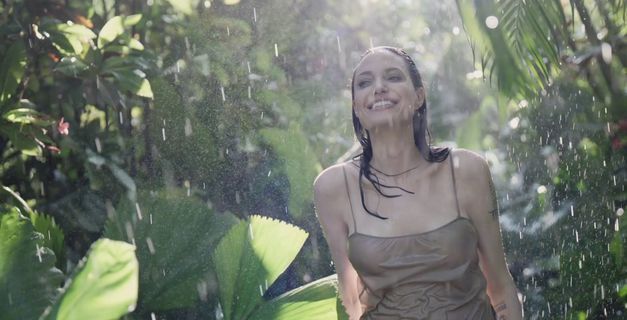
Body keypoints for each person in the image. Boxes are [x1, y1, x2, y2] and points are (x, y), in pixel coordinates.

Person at [313, 46, 522, 319]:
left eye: (393, 77)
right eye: (364, 83)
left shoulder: (466, 171)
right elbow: (350, 301)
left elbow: (500, 285)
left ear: (419, 96)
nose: (379, 88)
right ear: (356, 106)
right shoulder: (333, 188)